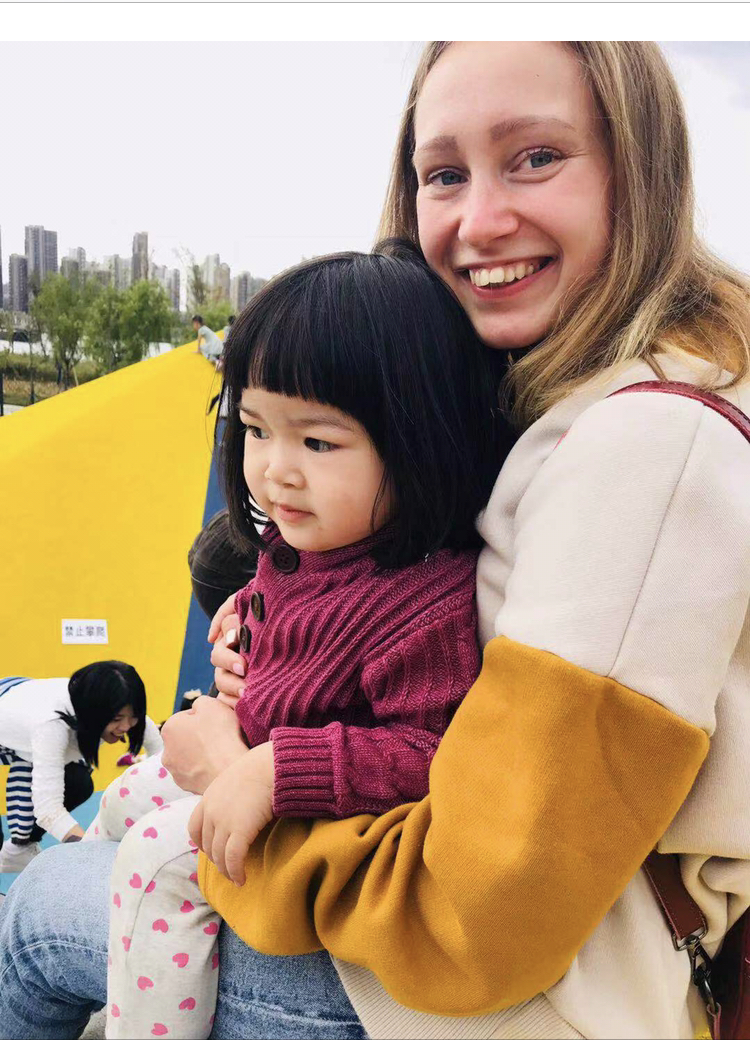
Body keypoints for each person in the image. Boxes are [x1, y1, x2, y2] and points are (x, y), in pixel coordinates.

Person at [2, 40, 750, 1040]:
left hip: (513, 997)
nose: (480, 219)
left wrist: (237, 773)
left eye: (536, 157)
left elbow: (481, 911)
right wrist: (258, 630)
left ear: (643, 169)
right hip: (473, 936)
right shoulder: (557, 383)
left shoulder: (648, 449)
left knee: (40, 916)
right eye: (443, 173)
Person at [91, 244, 504, 1039]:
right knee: (120, 800)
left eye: (317, 443)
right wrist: (242, 609)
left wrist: (282, 769)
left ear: (421, 440)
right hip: (245, 755)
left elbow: (430, 752)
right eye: (254, 429)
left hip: (313, 817)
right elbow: (282, 592)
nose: (275, 471)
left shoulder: (426, 604)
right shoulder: (309, 539)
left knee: (153, 859)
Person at [0, 663, 162, 873]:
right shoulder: (51, 727)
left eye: (133, 717)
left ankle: (18, 850)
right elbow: (48, 809)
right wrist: (91, 852)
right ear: (92, 713)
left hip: (23, 711)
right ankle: (15, 851)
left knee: (78, 781)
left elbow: (163, 761)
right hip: (11, 716)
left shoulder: (126, 711)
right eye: (116, 719)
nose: (125, 726)